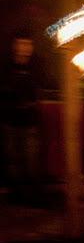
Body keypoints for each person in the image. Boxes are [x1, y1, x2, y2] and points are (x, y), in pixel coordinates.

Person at [0, 29, 42, 205]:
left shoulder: (36, 66)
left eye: (28, 44)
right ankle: (18, 196)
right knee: (13, 160)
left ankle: (31, 197)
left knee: (31, 160)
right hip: (10, 121)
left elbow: (38, 89)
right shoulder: (6, 66)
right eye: (21, 44)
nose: (25, 48)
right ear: (15, 46)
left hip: (30, 122)